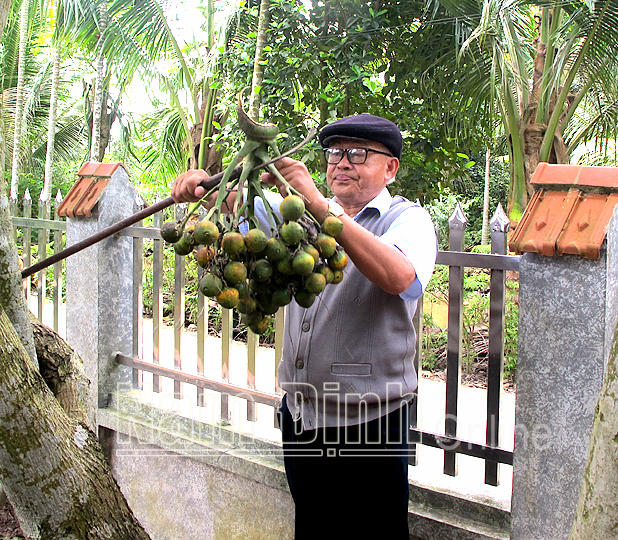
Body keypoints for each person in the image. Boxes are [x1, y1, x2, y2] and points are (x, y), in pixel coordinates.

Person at [172, 113, 437, 539]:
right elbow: (238, 210)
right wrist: (202, 190)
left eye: (358, 154)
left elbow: (401, 277)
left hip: (369, 424)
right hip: (301, 417)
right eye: (335, 153)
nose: (342, 162)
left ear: (390, 168)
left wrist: (320, 206)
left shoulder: (407, 220)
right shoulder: (298, 217)